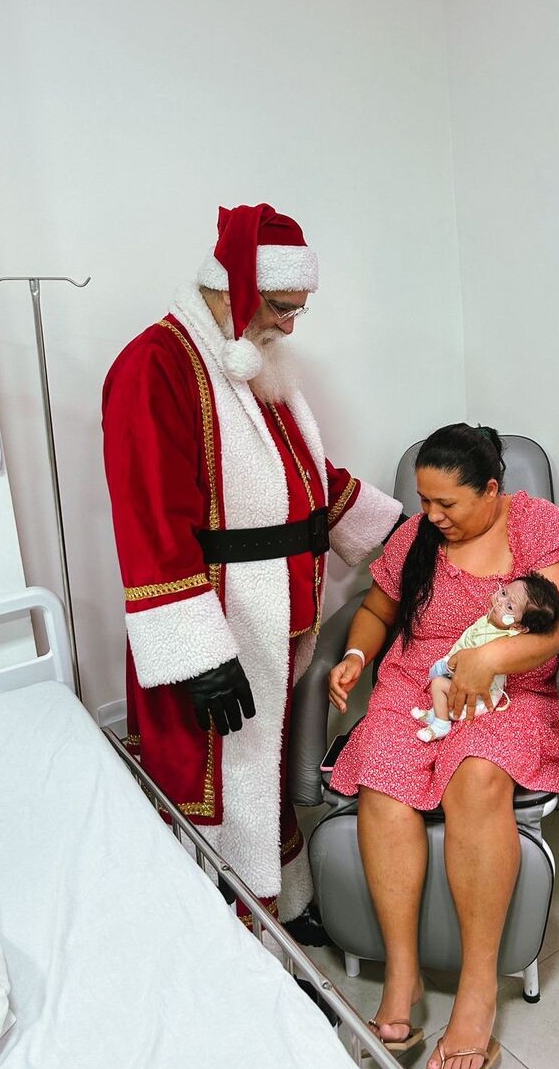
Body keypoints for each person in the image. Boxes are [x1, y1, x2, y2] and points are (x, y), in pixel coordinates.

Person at [102, 203, 402, 942]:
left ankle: (281, 905)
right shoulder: (156, 365)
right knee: (215, 783)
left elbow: (306, 476)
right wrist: (199, 655)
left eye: (300, 309)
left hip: (273, 620)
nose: (291, 327)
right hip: (215, 629)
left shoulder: (251, 358)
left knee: (259, 773)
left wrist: (397, 531)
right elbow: (149, 519)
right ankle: (223, 938)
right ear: (236, 286)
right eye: (282, 307)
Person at [327, 424, 559, 1069]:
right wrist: (356, 654)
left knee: (477, 777)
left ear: (492, 489)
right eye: (424, 500)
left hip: (508, 692)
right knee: (383, 779)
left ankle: (476, 995)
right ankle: (403, 977)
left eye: (447, 503)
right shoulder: (417, 536)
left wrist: (488, 659)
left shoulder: (538, 526)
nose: (432, 515)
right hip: (414, 685)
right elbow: (378, 611)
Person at [412, 572, 559, 742]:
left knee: (438, 683)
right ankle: (435, 713)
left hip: (479, 694)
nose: (500, 600)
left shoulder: (502, 639)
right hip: (463, 675)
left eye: (509, 606)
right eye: (504, 592)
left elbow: (471, 663)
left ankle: (442, 724)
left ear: (519, 627)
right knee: (440, 680)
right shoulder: (492, 621)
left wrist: (445, 666)